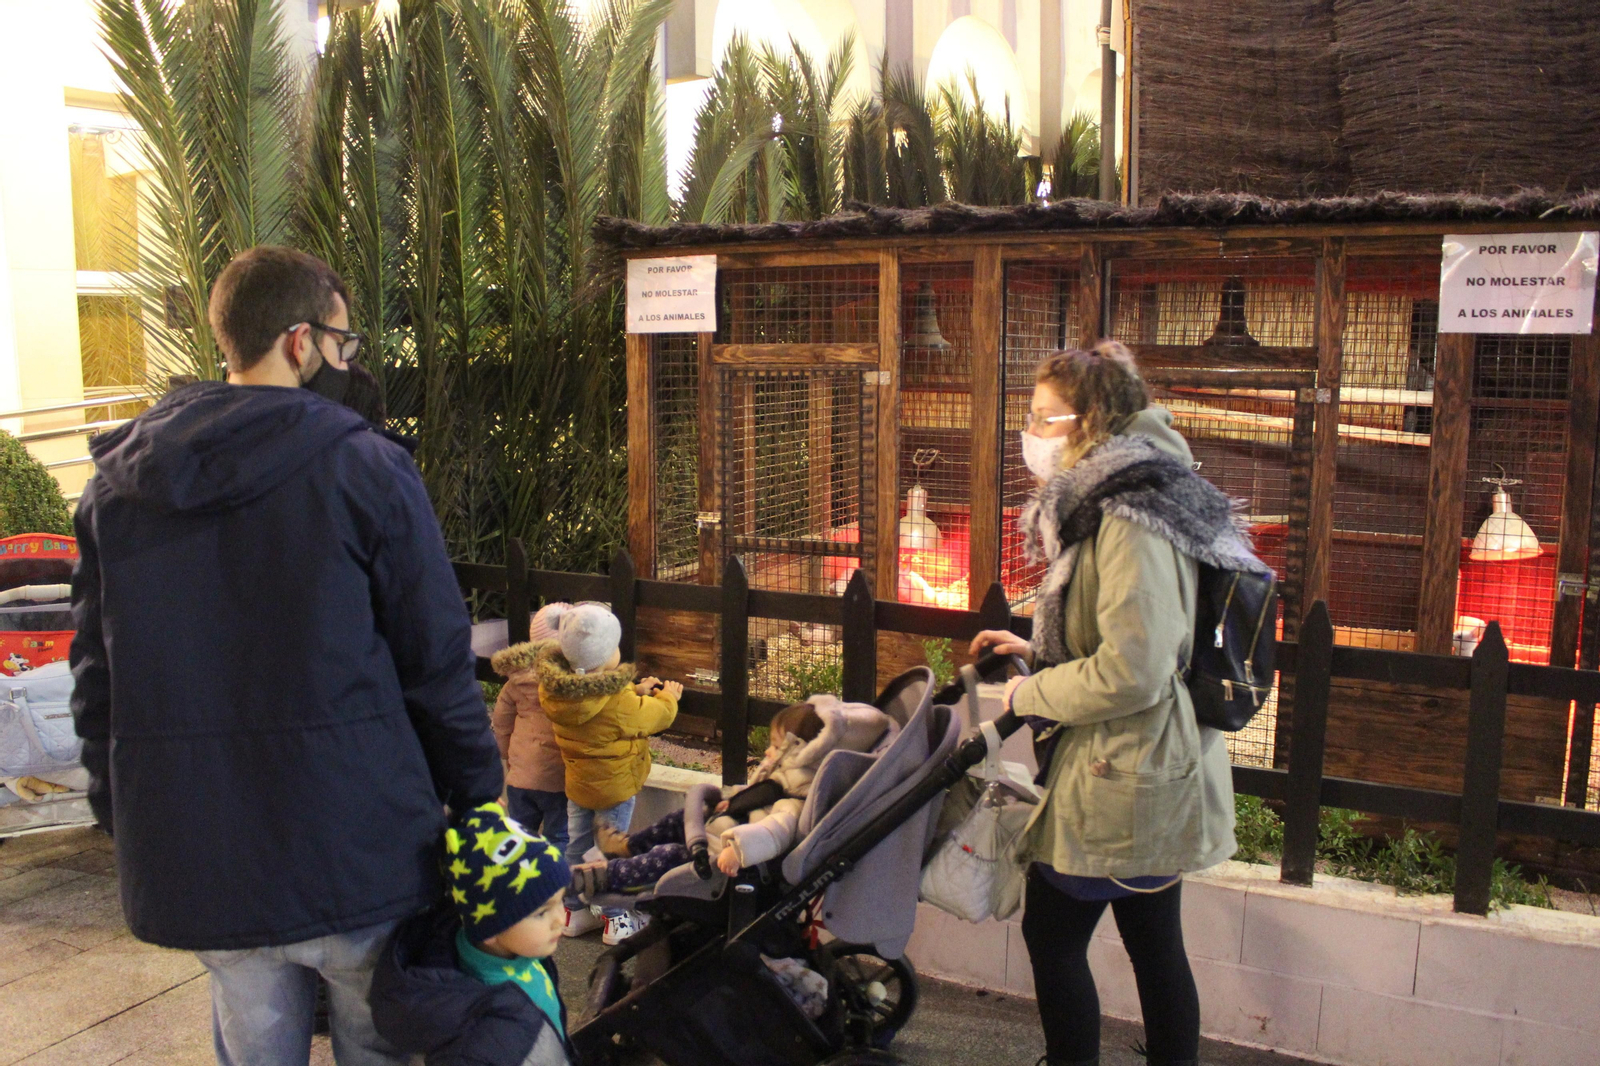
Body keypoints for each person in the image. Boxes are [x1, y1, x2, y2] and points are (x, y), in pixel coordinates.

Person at [70, 246, 503, 1066]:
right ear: (300, 342)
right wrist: (479, 796)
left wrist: (122, 813)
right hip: (360, 846)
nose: (347, 363)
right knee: (377, 1043)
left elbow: (98, 681)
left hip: (202, 852)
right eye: (344, 344)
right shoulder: (367, 468)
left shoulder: (115, 489)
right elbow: (435, 663)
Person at [970, 341, 1258, 1066]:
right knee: (1155, 943)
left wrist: (1032, 690)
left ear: (1089, 419)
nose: (1029, 433)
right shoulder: (1132, 491)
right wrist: (1033, 649)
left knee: (1054, 935)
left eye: (1041, 417)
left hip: (1124, 771)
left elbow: (1135, 666)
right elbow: (1127, 635)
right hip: (1146, 767)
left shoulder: (1130, 512)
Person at [569, 696, 891, 896]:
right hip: (714, 832)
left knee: (670, 854)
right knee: (676, 820)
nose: (768, 751)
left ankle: (605, 876)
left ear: (802, 752)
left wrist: (739, 849)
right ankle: (628, 847)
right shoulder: (781, 778)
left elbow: (775, 830)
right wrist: (731, 803)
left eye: (776, 747)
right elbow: (756, 800)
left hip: (722, 860)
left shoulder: (796, 796)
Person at [370, 802, 575, 1066]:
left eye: (561, 901)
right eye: (541, 913)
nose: (561, 919)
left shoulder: (523, 954)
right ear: (491, 928)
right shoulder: (478, 1029)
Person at [534, 603, 681, 944]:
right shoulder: (616, 703)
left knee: (578, 842)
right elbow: (651, 717)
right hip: (614, 787)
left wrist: (632, 690)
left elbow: (604, 699)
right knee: (610, 848)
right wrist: (668, 697)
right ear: (602, 658)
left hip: (579, 783)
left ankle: (573, 909)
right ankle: (615, 918)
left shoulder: (560, 690)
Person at [490, 602, 576, 853]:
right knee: (558, 837)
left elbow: (501, 721)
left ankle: (519, 881)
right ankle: (556, 885)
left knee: (518, 834)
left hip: (521, 777)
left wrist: (506, 755)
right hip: (558, 778)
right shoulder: (572, 680)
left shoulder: (516, 680)